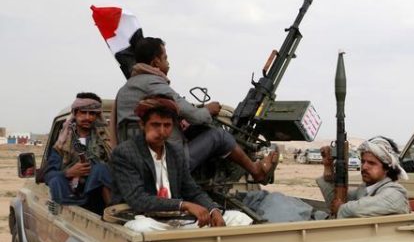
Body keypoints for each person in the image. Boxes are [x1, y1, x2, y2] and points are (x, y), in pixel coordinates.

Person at [115, 37, 277, 182]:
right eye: (165, 58)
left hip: (137, 163)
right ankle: (256, 171)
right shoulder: (153, 83)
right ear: (155, 63)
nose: (168, 63)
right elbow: (196, 116)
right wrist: (208, 110)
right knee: (219, 135)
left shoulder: (124, 90)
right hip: (167, 164)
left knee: (194, 130)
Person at [110, 95, 251, 230]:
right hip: (143, 218)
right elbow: (138, 199)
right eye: (155, 125)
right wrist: (183, 205)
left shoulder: (175, 152)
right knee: (142, 227)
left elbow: (192, 190)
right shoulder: (125, 153)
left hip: (176, 220)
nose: (162, 131)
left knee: (239, 218)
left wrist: (213, 210)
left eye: (167, 125)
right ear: (142, 125)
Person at [44, 93, 112, 213]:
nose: (87, 117)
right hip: (72, 201)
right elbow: (49, 175)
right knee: (57, 180)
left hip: (99, 202)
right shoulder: (62, 144)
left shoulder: (106, 141)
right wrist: (69, 172)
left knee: (101, 170)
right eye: (83, 112)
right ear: (75, 113)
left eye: (92, 113)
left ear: (97, 116)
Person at [317, 136, 410, 218]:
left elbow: (361, 207)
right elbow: (335, 202)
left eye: (371, 163)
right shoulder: (364, 189)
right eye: (363, 161)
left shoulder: (396, 193)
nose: (364, 167)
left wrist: (342, 208)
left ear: (387, 169)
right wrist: (328, 167)